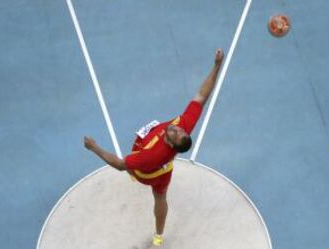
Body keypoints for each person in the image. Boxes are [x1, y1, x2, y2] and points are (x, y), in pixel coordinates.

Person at [84, 49, 224, 246]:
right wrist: (217, 65)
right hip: (151, 157)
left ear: (171, 144)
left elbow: (119, 164)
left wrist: (94, 147)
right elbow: (202, 95)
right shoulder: (184, 126)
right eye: (180, 131)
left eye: (176, 134)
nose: (176, 129)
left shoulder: (151, 156)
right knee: (154, 185)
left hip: (150, 173)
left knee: (159, 196)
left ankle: (158, 236)